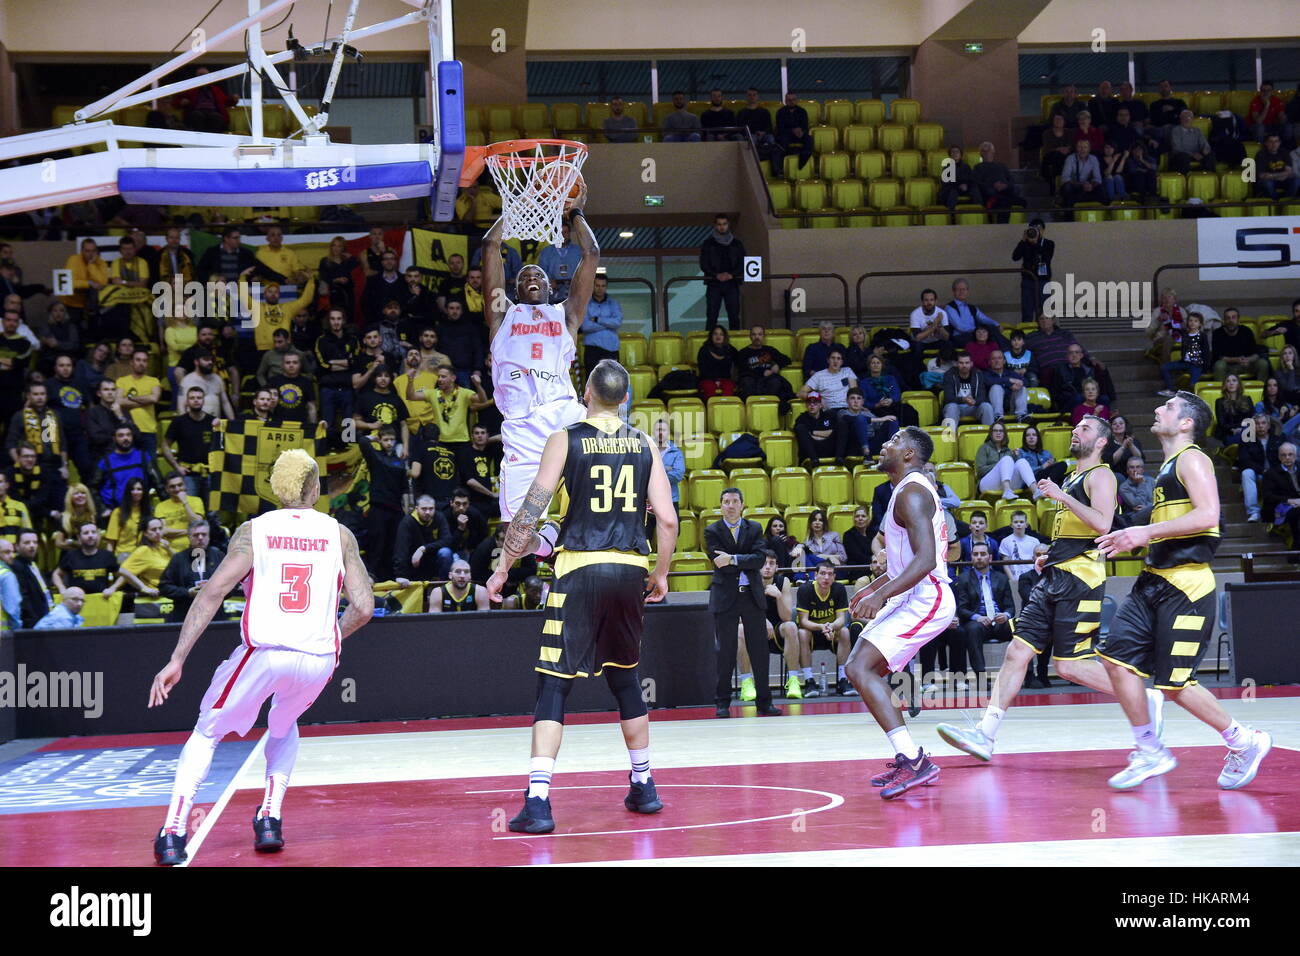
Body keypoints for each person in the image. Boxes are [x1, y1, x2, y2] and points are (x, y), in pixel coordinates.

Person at [148, 449, 372, 864]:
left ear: (277, 491)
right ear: (316, 488)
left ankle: (173, 831)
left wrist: (177, 657)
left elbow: (213, 592)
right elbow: (363, 607)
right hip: (318, 659)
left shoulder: (254, 531)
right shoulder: (340, 533)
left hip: (267, 651)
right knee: (283, 724)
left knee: (207, 731)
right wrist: (327, 636)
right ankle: (270, 817)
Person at [485, 359, 678, 833]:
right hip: (630, 570)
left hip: (578, 570)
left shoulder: (565, 439)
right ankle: (645, 785)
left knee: (554, 683)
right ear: (624, 398)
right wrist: (662, 574)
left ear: (587, 393)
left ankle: (538, 802)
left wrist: (503, 567)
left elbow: (531, 509)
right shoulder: (645, 443)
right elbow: (668, 519)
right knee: (626, 679)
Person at [939, 415, 1146, 758]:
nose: (1076, 432)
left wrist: (1063, 497)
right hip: (1056, 574)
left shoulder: (1102, 475)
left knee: (1069, 665)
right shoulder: (1076, 475)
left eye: (1085, 429)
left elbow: (1102, 524)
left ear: (1101, 442)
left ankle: (1142, 698)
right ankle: (985, 735)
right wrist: (1049, 555)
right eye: (1076, 427)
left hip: (1081, 579)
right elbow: (1072, 532)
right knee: (1016, 652)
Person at [1095, 393, 1272, 790]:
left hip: (1186, 586)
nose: (1158, 409)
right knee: (1115, 663)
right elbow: (1136, 524)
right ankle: (1149, 750)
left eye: (1169, 407)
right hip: (1152, 583)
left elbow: (1209, 516)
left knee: (1175, 685)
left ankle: (1246, 741)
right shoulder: (1168, 470)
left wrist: (1146, 532)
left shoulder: (1194, 458)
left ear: (1187, 423)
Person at [843, 427, 956, 799]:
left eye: (891, 442)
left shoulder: (911, 492)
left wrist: (883, 595)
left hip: (928, 597)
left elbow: (926, 561)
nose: (883, 446)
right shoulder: (905, 490)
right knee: (860, 667)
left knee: (860, 667)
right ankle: (910, 754)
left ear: (908, 454)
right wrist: (871, 589)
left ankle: (913, 760)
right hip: (912, 594)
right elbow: (904, 563)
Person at [480, 194, 595, 543]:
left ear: (550, 287)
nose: (532, 277)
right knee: (515, 532)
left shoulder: (567, 314)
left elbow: (591, 255)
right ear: (514, 289)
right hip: (522, 425)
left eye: (539, 275)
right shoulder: (502, 315)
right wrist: (513, 212)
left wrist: (573, 212)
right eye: (525, 276)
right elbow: (490, 245)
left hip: (562, 414)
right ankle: (545, 544)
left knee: (613, 444)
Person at [705, 485, 782, 719]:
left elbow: (760, 559)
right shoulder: (712, 530)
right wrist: (742, 561)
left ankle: (764, 703)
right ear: (721, 505)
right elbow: (719, 562)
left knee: (759, 651)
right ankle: (722, 703)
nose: (730, 505)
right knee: (725, 652)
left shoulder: (755, 528)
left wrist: (735, 559)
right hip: (725, 597)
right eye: (726, 502)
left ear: (742, 505)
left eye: (734, 501)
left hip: (752, 596)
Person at [734, 551, 802, 698]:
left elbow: (787, 617)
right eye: (764, 564)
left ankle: (794, 680)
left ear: (776, 567)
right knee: (740, 629)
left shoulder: (783, 582)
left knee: (791, 626)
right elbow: (738, 616)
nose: (767, 567)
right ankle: (747, 683)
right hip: (752, 632)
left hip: (776, 634)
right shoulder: (746, 581)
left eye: (771, 564)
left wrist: (778, 596)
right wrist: (762, 621)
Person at [952, 541, 1014, 680]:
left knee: (1019, 627)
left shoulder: (1002, 578)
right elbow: (961, 609)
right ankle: (980, 676)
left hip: (999, 622)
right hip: (977, 622)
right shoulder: (963, 579)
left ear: (990, 558)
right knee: (973, 629)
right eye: (975, 554)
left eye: (982, 554)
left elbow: (1011, 607)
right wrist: (977, 617)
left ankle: (1026, 675)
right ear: (971, 557)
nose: (979, 557)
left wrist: (1005, 615)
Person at [795, 561, 854, 695]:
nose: (826, 578)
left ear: (834, 577)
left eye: (829, 574)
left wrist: (831, 626)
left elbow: (841, 619)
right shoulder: (805, 589)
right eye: (822, 573)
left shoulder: (839, 589)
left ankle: (843, 680)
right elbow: (803, 621)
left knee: (844, 631)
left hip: (831, 632)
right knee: (802, 633)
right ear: (815, 575)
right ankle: (809, 681)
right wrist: (821, 627)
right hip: (812, 632)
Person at [699, 214, 745, 331]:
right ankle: (710, 342)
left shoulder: (737, 244)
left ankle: (735, 343)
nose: (722, 227)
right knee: (712, 316)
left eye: (724, 224)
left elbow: (743, 263)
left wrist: (732, 275)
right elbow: (704, 264)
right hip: (714, 283)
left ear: (728, 225)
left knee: (734, 316)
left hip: (732, 283)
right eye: (719, 224)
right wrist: (716, 275)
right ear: (715, 226)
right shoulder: (708, 244)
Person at [53, 522, 122, 597]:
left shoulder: (107, 556)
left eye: (93, 532)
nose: (90, 535)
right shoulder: (71, 555)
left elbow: (123, 575)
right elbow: (56, 574)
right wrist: (62, 589)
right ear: (79, 537)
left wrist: (113, 588)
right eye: (86, 533)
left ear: (98, 535)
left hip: (101, 602)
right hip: (76, 602)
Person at [1237, 414, 1283, 523]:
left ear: (1268, 425)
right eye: (1257, 424)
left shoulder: (1279, 438)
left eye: (1263, 423)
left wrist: (1272, 472)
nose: (1260, 426)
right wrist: (1263, 471)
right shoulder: (1246, 439)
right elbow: (1244, 461)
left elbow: (1285, 457)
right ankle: (1253, 512)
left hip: (1276, 472)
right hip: (1258, 472)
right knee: (1246, 473)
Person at [1012, 220, 1054, 326]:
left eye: (1038, 229)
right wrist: (1023, 241)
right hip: (1028, 281)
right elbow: (1015, 257)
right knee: (1027, 309)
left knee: (1045, 309)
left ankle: (1045, 332)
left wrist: (1035, 243)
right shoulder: (1025, 244)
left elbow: (1046, 258)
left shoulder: (1049, 244)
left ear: (1043, 230)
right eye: (1033, 229)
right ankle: (1028, 333)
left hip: (1043, 281)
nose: (1036, 232)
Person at [1159, 310, 1211, 397]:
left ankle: (1193, 397)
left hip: (1196, 364)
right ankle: (1171, 389)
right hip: (1184, 362)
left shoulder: (1202, 336)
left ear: (1200, 324)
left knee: (1192, 384)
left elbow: (1206, 351)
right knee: (1164, 367)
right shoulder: (1185, 334)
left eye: (1195, 321)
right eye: (1190, 320)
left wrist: (1205, 366)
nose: (1192, 323)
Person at [579, 275, 623, 375]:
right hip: (592, 349)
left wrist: (597, 319)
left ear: (606, 287)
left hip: (611, 348)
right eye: (597, 285)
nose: (600, 288)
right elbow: (585, 326)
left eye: (603, 286)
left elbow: (617, 323)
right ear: (592, 286)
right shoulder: (585, 303)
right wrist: (608, 324)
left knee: (612, 382)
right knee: (591, 383)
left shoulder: (613, 303)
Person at [941, 352, 995, 429]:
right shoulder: (949, 375)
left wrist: (975, 401)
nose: (964, 365)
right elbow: (948, 397)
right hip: (956, 406)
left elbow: (982, 396)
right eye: (961, 363)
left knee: (987, 406)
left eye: (967, 363)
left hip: (973, 406)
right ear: (957, 364)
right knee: (952, 407)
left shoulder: (978, 375)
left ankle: (991, 437)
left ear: (971, 364)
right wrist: (964, 399)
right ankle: (949, 438)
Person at [11, 529, 52, 628]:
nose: (32, 545)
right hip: (32, 625)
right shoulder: (17, 567)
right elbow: (23, 600)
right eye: (27, 542)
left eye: (35, 542)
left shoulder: (33, 564)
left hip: (44, 620)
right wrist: (33, 624)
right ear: (16, 546)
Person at [1262, 442, 1300, 541]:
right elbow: (1268, 496)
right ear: (1279, 457)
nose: (1287, 457)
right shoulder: (1271, 473)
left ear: (1296, 456)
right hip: (1282, 508)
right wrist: (1290, 501)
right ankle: (1296, 548)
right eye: (1283, 455)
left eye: (1290, 454)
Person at [697, 324, 738, 398]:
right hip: (707, 379)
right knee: (709, 387)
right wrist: (716, 381)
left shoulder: (730, 349)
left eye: (721, 334)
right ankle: (711, 408)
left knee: (728, 386)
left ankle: (726, 408)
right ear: (711, 336)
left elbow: (739, 363)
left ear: (724, 337)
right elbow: (702, 369)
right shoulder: (704, 350)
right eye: (715, 334)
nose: (718, 336)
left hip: (725, 379)